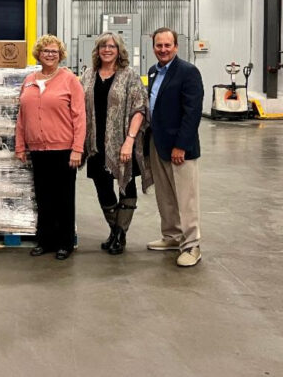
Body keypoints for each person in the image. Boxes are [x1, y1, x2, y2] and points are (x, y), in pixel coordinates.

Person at [80, 32, 150, 255]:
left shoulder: (129, 75)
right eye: (103, 46)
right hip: (95, 144)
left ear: (119, 51)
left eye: (112, 46)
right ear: (97, 50)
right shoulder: (88, 75)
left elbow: (139, 109)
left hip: (123, 142)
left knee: (126, 185)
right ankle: (116, 230)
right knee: (103, 188)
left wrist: (129, 141)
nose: (107, 50)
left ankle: (119, 235)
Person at [15, 35, 85, 260]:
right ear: (38, 54)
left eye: (54, 51)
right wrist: (20, 145)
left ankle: (65, 243)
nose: (50, 54)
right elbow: (22, 116)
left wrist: (77, 148)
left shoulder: (70, 80)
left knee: (64, 198)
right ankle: (45, 241)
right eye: (46, 51)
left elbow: (80, 117)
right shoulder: (29, 80)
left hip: (64, 150)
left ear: (60, 54)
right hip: (37, 149)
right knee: (44, 197)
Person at [145, 27, 204, 267]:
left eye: (167, 45)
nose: (163, 49)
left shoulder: (188, 72)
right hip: (158, 143)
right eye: (159, 45)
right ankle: (172, 236)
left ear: (176, 47)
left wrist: (181, 146)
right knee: (165, 195)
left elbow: (192, 112)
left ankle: (192, 245)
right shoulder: (153, 71)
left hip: (179, 147)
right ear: (153, 48)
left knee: (186, 198)